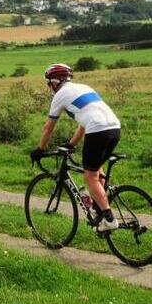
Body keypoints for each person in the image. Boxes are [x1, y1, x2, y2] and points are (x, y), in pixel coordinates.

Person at [30, 63, 121, 233]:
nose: (49, 87)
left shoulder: (60, 96)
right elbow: (83, 123)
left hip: (98, 130)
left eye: (49, 83)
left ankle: (109, 219)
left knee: (90, 177)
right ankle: (99, 209)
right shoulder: (84, 87)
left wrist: (40, 150)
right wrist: (71, 144)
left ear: (55, 82)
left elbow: (48, 128)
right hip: (115, 128)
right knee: (96, 168)